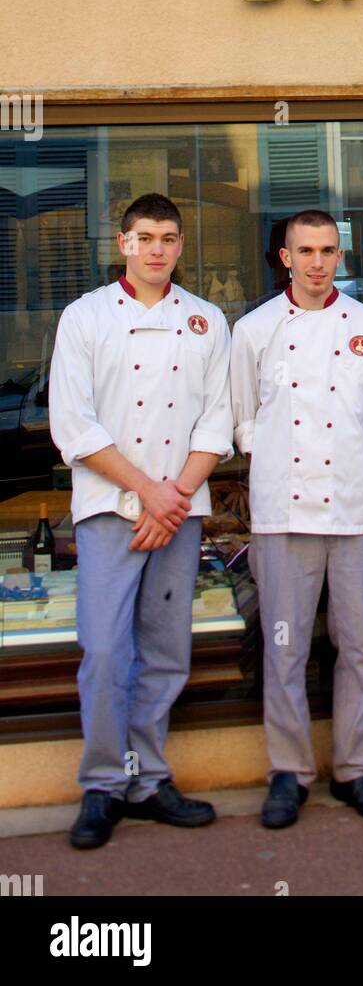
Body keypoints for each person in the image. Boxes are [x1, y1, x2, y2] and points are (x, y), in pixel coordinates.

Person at [48, 192, 233, 850]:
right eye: (144, 237)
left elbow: (217, 422)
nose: (157, 248)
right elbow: (72, 425)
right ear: (123, 243)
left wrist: (173, 495)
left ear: (181, 247)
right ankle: (102, 785)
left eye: (168, 238)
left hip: (178, 513)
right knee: (103, 652)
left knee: (164, 652)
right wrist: (147, 494)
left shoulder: (208, 321)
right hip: (109, 510)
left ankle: (149, 779)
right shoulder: (85, 317)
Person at [231, 210, 363, 826]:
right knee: (285, 648)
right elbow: (244, 421)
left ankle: (358, 769)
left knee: (358, 645)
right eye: (306, 251)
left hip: (355, 510)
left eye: (329, 250)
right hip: (282, 512)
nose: (318, 262)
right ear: (285, 257)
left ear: (341, 255)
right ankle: (289, 773)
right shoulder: (252, 330)